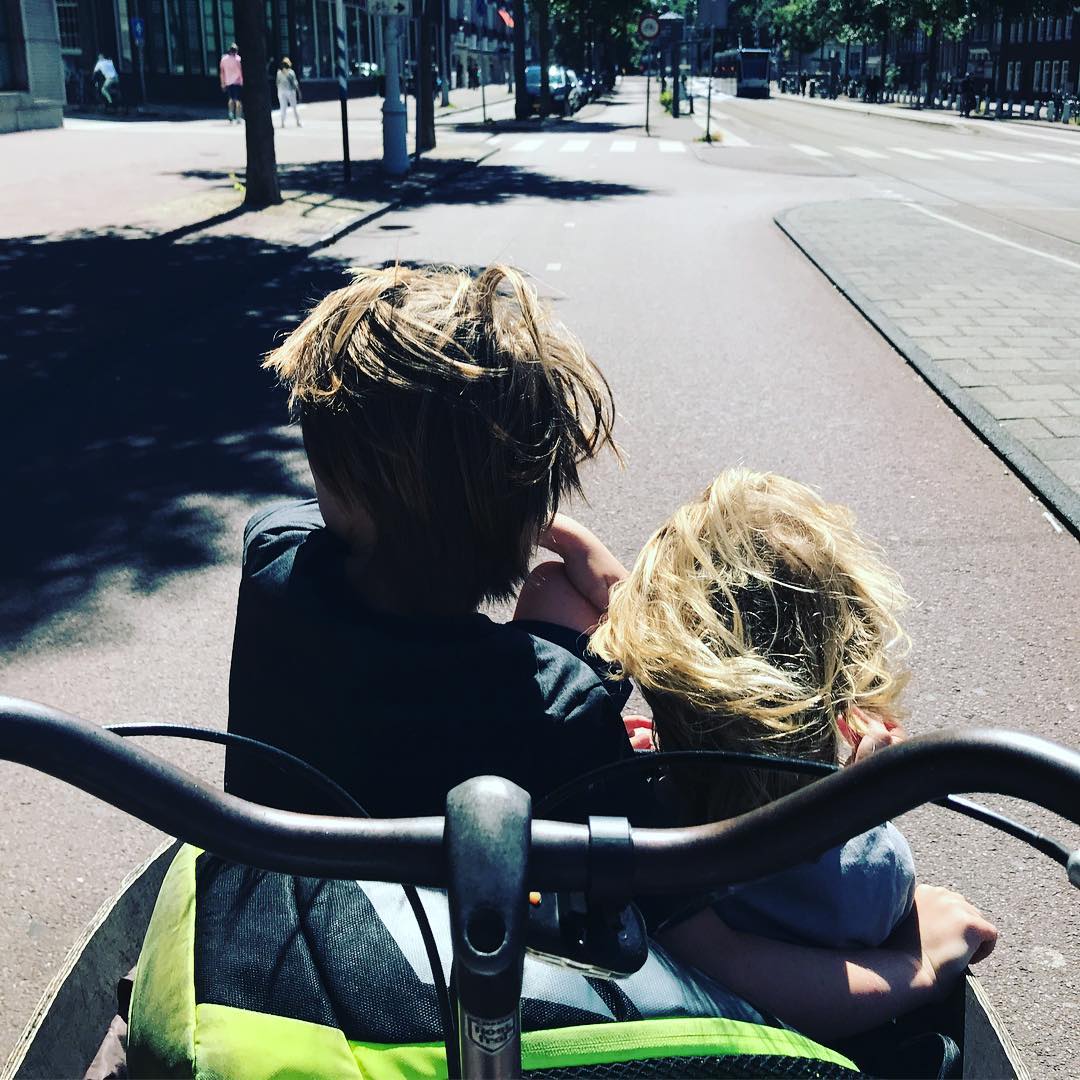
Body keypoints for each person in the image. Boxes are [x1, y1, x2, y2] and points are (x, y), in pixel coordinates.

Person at [519, 468, 999, 1040]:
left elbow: (552, 592)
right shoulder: (868, 870)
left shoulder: (634, 812)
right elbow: (775, 977)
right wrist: (919, 965)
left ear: (659, 670)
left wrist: (579, 550)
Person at [224, 264, 632, 819]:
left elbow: (325, 517)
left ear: (342, 489)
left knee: (551, 592)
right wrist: (594, 567)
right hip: (477, 861)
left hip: (286, 866)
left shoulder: (273, 560)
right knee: (558, 589)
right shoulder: (564, 702)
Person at [219, 42, 243, 123]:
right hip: (237, 82)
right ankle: (238, 117)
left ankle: (230, 114)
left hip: (228, 82)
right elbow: (240, 71)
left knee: (230, 99)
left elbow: (222, 72)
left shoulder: (224, 59)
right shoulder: (238, 59)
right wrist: (242, 82)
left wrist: (222, 83)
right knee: (238, 100)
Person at [276, 56, 301, 127]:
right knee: (294, 107)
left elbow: (277, 83)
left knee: (283, 107)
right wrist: (299, 91)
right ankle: (298, 122)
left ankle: (282, 123)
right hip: (290, 91)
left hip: (281, 91)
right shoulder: (291, 72)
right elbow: (295, 83)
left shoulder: (279, 73)